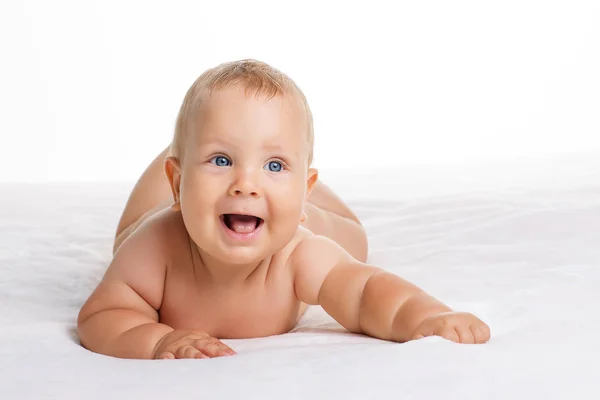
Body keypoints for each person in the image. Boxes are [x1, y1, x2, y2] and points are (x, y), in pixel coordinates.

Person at [77, 59, 490, 360]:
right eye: (221, 161)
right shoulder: (154, 248)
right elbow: (103, 315)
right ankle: (218, 166)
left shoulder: (298, 255)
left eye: (273, 165)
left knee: (351, 240)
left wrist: (427, 317)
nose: (245, 183)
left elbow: (366, 293)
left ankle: (274, 180)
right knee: (129, 235)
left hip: (299, 213)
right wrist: (156, 341)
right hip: (159, 205)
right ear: (178, 183)